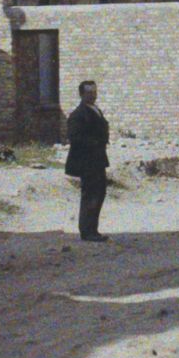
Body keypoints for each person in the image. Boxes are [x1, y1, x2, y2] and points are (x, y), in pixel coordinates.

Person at [64, 79, 111, 241]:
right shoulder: (78, 114)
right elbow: (75, 138)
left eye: (94, 92)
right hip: (87, 161)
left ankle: (93, 229)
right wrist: (95, 143)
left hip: (97, 160)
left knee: (99, 193)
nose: (93, 96)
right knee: (90, 195)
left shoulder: (95, 110)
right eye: (89, 93)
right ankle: (87, 231)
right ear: (81, 94)